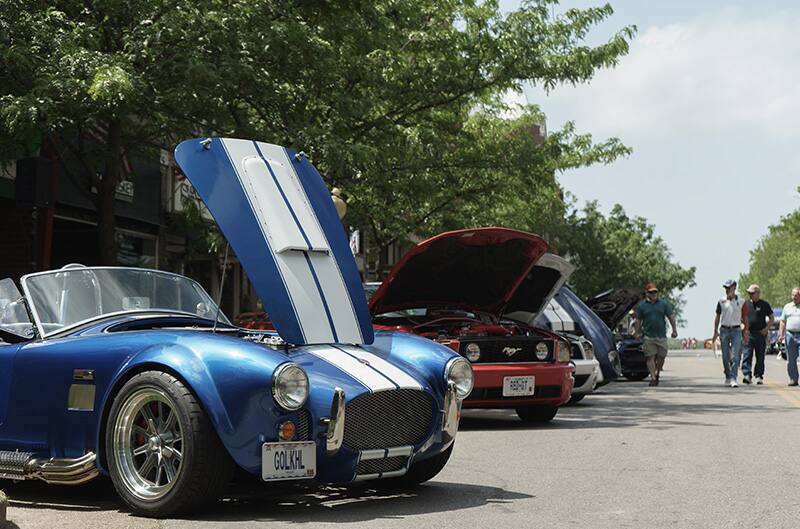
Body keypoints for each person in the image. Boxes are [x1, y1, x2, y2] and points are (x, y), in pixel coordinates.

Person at [634, 282, 678, 386]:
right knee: (650, 357)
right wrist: (636, 332)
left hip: (661, 336)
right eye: (651, 292)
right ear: (647, 293)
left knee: (661, 357)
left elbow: (671, 316)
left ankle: (657, 372)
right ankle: (653, 378)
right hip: (648, 336)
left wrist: (674, 330)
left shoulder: (663, 304)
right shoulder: (642, 306)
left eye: (655, 292)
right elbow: (638, 321)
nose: (654, 294)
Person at [712, 279, 748, 387]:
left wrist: (746, 331)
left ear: (734, 288)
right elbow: (717, 317)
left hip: (736, 330)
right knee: (725, 357)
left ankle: (733, 378)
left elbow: (745, 317)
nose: (727, 290)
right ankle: (727, 375)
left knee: (735, 356)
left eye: (729, 288)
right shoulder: (721, 301)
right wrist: (715, 332)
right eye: (726, 288)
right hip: (724, 330)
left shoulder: (741, 301)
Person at [741, 284, 773, 385]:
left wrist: (766, 328)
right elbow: (740, 316)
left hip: (760, 333)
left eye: (752, 293)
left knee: (760, 356)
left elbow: (772, 318)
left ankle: (759, 376)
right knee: (747, 354)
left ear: (758, 293)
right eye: (749, 293)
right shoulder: (745, 304)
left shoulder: (764, 304)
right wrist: (744, 327)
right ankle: (747, 375)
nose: (750, 295)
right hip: (748, 333)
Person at [778, 287, 800, 386]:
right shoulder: (787, 307)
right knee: (791, 359)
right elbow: (782, 321)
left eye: (796, 295)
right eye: (793, 295)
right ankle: (793, 379)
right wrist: (781, 335)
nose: (794, 297)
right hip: (789, 335)